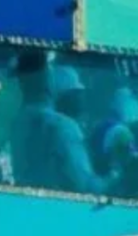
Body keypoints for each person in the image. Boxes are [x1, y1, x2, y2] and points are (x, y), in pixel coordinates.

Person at [10, 52, 109, 196]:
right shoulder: (61, 126)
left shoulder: (19, 121)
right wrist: (115, 178)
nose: (80, 102)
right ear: (49, 80)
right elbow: (84, 185)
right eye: (74, 95)